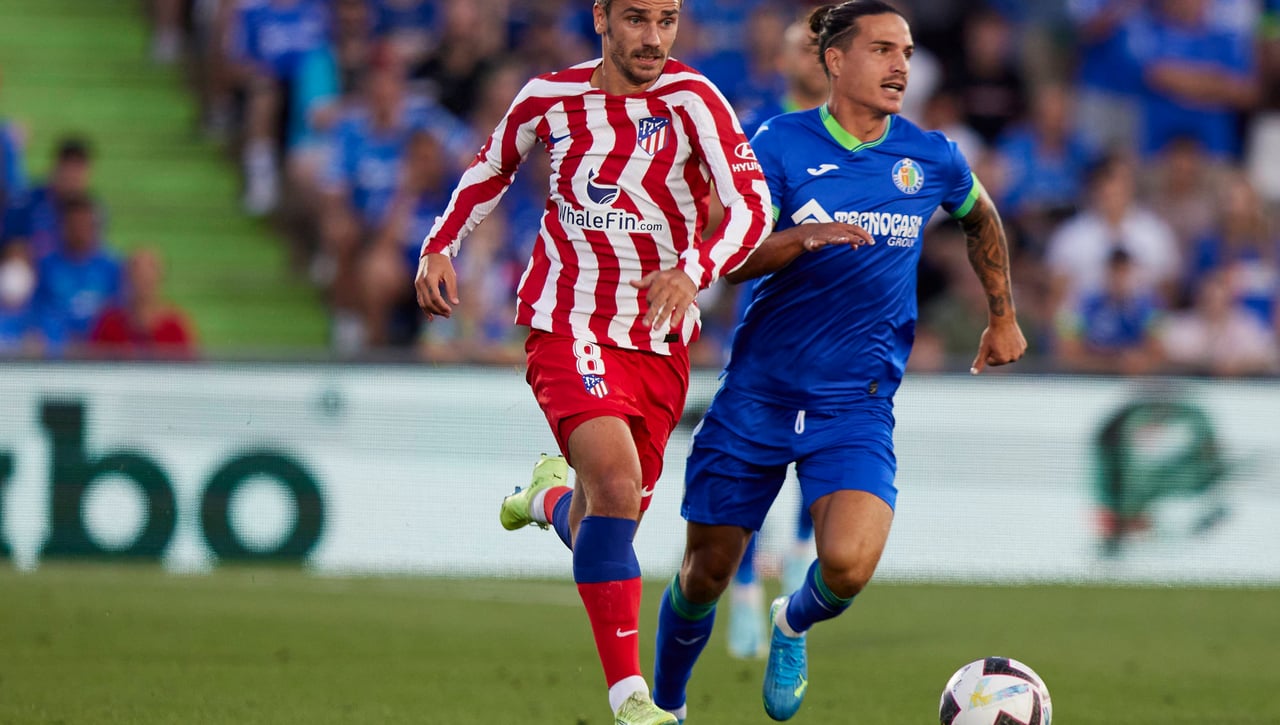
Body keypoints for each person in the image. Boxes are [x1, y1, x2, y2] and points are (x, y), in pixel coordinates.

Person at [414, 2, 858, 722]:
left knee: (605, 520)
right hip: (567, 322)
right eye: (636, 19)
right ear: (602, 17)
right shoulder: (550, 97)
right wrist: (441, 244)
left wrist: (693, 270)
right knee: (618, 488)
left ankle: (548, 499)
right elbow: (491, 166)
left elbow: (750, 208)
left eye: (667, 19)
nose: (653, 38)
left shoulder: (695, 100)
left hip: (657, 342)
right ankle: (631, 699)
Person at [648, 3, 1027, 722]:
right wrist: (802, 238)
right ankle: (665, 707)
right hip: (759, 394)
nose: (900, 66)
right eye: (882, 50)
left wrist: (1002, 316)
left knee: (848, 565)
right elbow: (728, 257)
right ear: (835, 60)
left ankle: (792, 622)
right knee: (705, 574)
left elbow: (979, 215)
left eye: (906, 52)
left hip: (855, 403)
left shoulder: (932, 156)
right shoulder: (778, 143)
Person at [87, 247, 197, 359]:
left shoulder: (174, 327)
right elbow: (92, 363)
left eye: (147, 279)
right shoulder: (109, 324)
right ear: (126, 279)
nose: (141, 283)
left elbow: (189, 365)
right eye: (137, 275)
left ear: (159, 279)